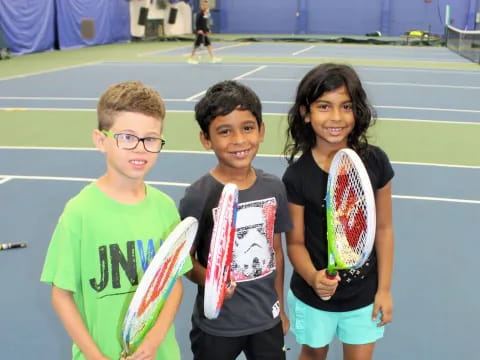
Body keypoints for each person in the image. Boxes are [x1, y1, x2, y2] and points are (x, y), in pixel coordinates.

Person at [40, 81, 191, 360]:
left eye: (151, 139)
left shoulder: (165, 208)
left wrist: (156, 339)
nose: (141, 148)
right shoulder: (80, 213)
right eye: (127, 137)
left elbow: (174, 283)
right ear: (101, 140)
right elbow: (61, 295)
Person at [282, 63, 394, 360]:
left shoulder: (375, 162)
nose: (336, 117)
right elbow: (294, 243)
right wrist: (312, 276)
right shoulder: (297, 177)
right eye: (323, 106)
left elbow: (383, 229)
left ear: (357, 111)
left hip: (363, 296)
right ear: (306, 113)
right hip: (312, 296)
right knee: (313, 354)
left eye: (346, 106)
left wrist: (383, 290)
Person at [179, 80, 292, 360]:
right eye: (224, 131)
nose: (239, 140)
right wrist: (211, 281)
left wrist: (280, 308)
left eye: (247, 128)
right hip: (217, 326)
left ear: (261, 130)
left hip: (267, 321)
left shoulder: (274, 188)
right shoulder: (198, 196)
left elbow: (275, 252)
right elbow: (184, 261)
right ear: (206, 139)